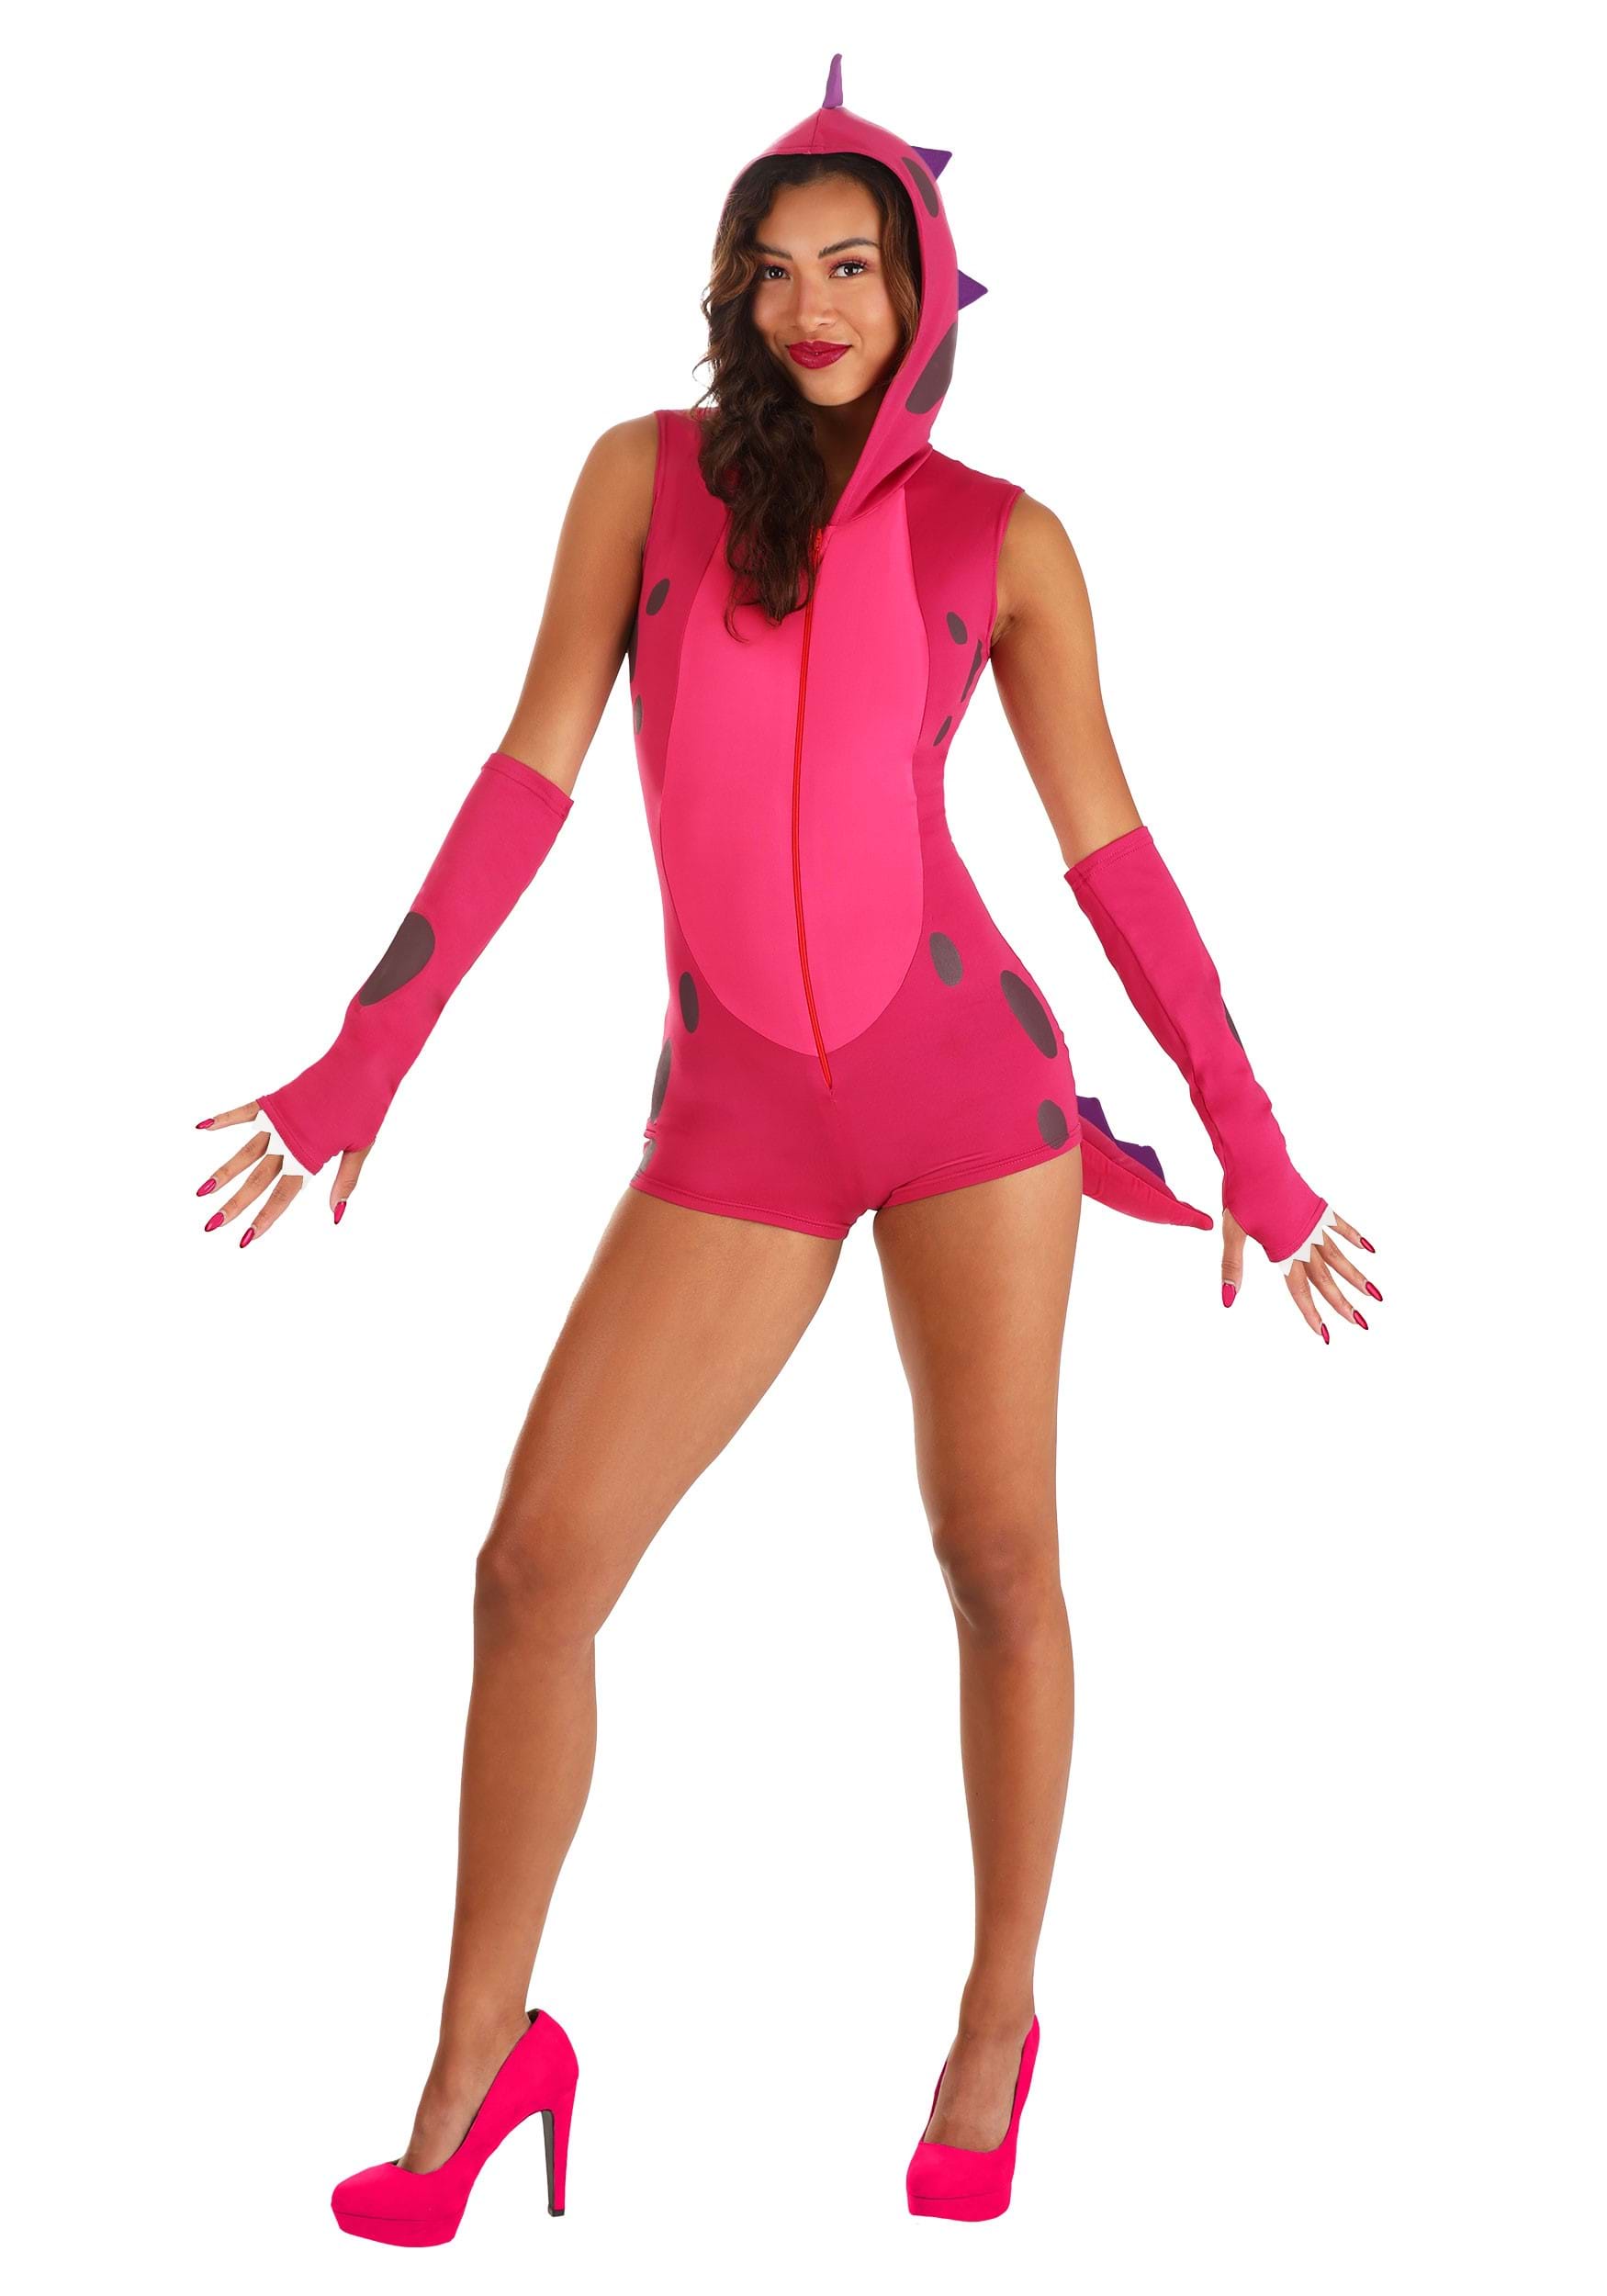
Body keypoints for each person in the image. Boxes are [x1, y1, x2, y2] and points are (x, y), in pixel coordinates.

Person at [193, 55, 1381, 2236]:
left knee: (992, 1557)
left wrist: (1252, 1138)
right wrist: (364, 1058)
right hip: (733, 1112)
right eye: (770, 269)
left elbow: (1109, 856)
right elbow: (528, 776)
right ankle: (481, 2055)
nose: (809, 304)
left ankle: (994, 2017)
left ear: (921, 289)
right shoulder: (639, 480)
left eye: (850, 265)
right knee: (532, 1570)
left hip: (966, 1099)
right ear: (729, 292)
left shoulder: (1001, 537)